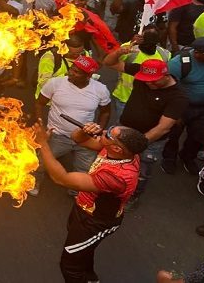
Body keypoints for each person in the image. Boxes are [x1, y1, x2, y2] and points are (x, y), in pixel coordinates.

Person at [34, 120, 147, 283]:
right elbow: (78, 139)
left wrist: (43, 143)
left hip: (95, 223)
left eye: (108, 134)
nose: (103, 131)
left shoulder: (117, 177)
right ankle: (91, 280)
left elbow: (61, 178)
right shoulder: (118, 150)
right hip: (83, 209)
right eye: (110, 128)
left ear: (116, 148)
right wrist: (84, 131)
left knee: (70, 267)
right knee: (84, 252)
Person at [102, 59, 188, 209]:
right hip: (124, 129)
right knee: (112, 160)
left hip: (150, 142)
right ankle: (108, 186)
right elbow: (110, 62)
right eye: (146, 80)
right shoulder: (143, 72)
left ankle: (132, 196)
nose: (149, 84)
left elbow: (163, 127)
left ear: (166, 75)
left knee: (142, 170)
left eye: (154, 81)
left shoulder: (178, 97)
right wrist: (119, 52)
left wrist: (135, 144)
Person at [33, 55, 111, 195]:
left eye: (77, 72)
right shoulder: (55, 83)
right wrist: (41, 125)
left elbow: (105, 111)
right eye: (72, 69)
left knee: (84, 168)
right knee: (42, 162)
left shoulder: (100, 90)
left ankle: (77, 192)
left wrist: (98, 130)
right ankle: (34, 182)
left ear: (88, 76)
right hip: (58, 135)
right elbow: (39, 103)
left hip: (85, 139)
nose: (71, 73)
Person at [162, 37, 204, 174]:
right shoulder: (178, 63)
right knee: (173, 134)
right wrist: (173, 111)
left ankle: (188, 157)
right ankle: (169, 158)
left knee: (199, 136)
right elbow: (168, 88)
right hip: (183, 107)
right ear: (198, 53)